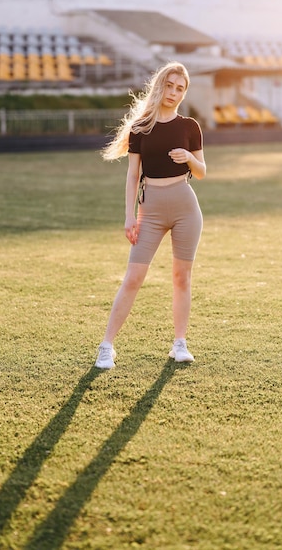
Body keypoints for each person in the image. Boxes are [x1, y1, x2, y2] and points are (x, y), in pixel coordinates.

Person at [95, 61, 206, 369]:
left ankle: (179, 343)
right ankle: (106, 346)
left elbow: (202, 171)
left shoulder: (189, 127)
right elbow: (132, 175)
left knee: (181, 277)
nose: (173, 92)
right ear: (160, 86)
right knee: (133, 277)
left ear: (184, 93)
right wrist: (130, 217)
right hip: (151, 210)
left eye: (180, 88)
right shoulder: (141, 127)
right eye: (169, 85)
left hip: (186, 207)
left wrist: (188, 159)